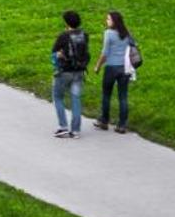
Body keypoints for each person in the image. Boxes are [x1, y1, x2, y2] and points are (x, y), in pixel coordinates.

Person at [93, 10, 138, 133]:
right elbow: (135, 45)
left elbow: (105, 53)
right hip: (125, 69)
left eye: (108, 19)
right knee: (123, 97)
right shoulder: (127, 33)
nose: (106, 21)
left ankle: (104, 121)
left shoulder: (109, 33)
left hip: (111, 68)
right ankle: (122, 125)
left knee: (106, 95)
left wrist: (97, 66)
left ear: (114, 21)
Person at [52, 10, 90, 138]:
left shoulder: (63, 36)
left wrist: (58, 56)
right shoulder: (84, 35)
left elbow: (54, 53)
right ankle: (76, 130)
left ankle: (63, 127)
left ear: (66, 22)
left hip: (65, 71)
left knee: (58, 97)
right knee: (76, 99)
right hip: (79, 71)